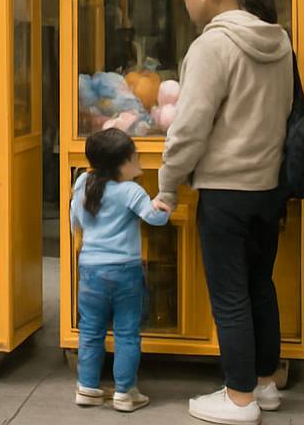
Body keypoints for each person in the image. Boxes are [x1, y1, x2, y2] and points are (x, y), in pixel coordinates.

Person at [155, 0, 293, 425]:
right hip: (268, 185)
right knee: (259, 286)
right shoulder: (279, 41)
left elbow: (190, 127)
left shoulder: (211, 47)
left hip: (226, 189)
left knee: (230, 294)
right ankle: (264, 382)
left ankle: (238, 398)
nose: (185, 4)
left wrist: (168, 183)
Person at [72, 128, 170, 412]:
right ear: (123, 162)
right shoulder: (131, 190)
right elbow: (156, 219)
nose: (138, 160)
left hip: (90, 269)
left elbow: (75, 218)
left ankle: (88, 387)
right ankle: (125, 393)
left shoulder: (83, 182)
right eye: (134, 156)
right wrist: (163, 204)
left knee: (90, 330)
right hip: (125, 271)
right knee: (127, 332)